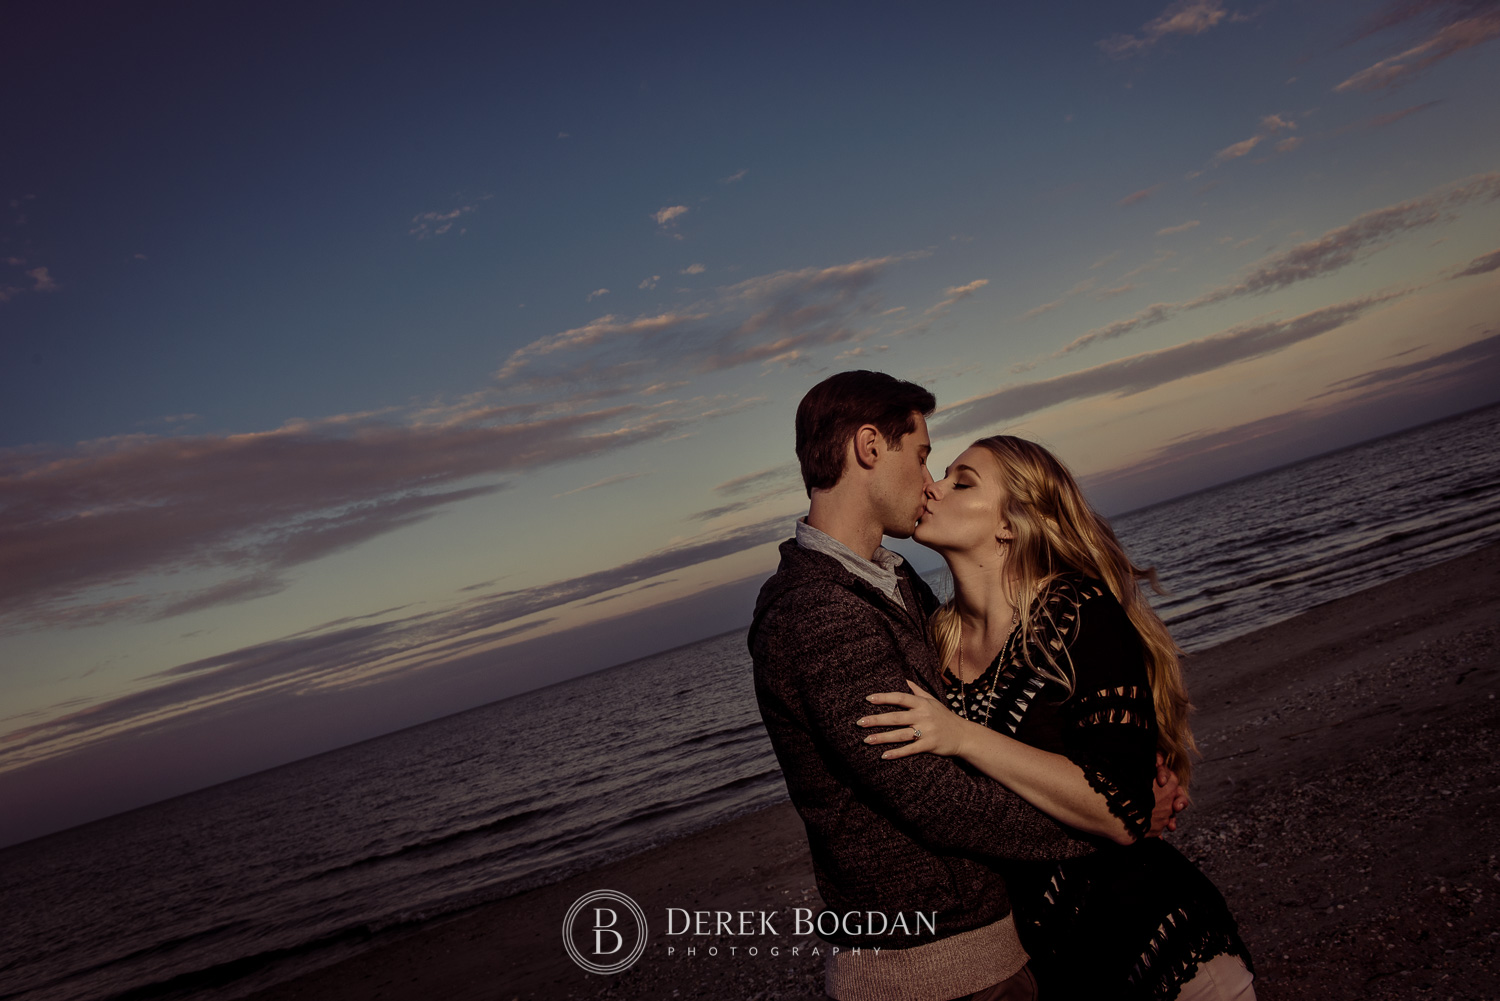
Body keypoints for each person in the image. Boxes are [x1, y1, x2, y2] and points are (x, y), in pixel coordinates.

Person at [748, 371, 1185, 1001]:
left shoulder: (896, 584)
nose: (929, 483)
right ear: (870, 447)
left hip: (979, 953)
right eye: (923, 456)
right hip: (924, 970)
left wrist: (1116, 778)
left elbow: (990, 711)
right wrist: (1114, 817)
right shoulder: (815, 613)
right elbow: (934, 798)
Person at [858, 434, 1255, 1000]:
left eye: (961, 481)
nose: (933, 486)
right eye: (940, 473)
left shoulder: (1075, 613)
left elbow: (1121, 808)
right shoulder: (934, 644)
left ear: (1010, 525)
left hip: (1159, 951)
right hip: (1056, 970)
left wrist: (961, 737)